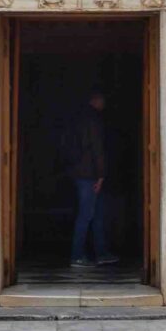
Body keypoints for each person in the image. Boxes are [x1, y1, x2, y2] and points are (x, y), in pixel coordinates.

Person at [57, 88, 120, 268]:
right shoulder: (93, 120)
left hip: (79, 173)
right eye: (103, 100)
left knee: (96, 213)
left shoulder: (77, 118)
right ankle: (76, 256)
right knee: (86, 215)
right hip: (89, 175)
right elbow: (97, 149)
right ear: (97, 100)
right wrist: (101, 176)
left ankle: (101, 253)